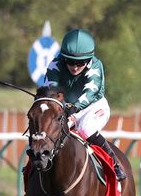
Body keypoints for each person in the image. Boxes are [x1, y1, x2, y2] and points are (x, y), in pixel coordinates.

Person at [43, 28, 127, 181]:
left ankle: (115, 164)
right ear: (63, 58)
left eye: (80, 63)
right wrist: (61, 105)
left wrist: (72, 108)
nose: (75, 67)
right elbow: (51, 89)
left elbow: (90, 93)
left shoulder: (96, 66)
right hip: (66, 108)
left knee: (85, 129)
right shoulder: (55, 64)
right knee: (45, 134)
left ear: (89, 59)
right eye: (70, 61)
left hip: (93, 107)